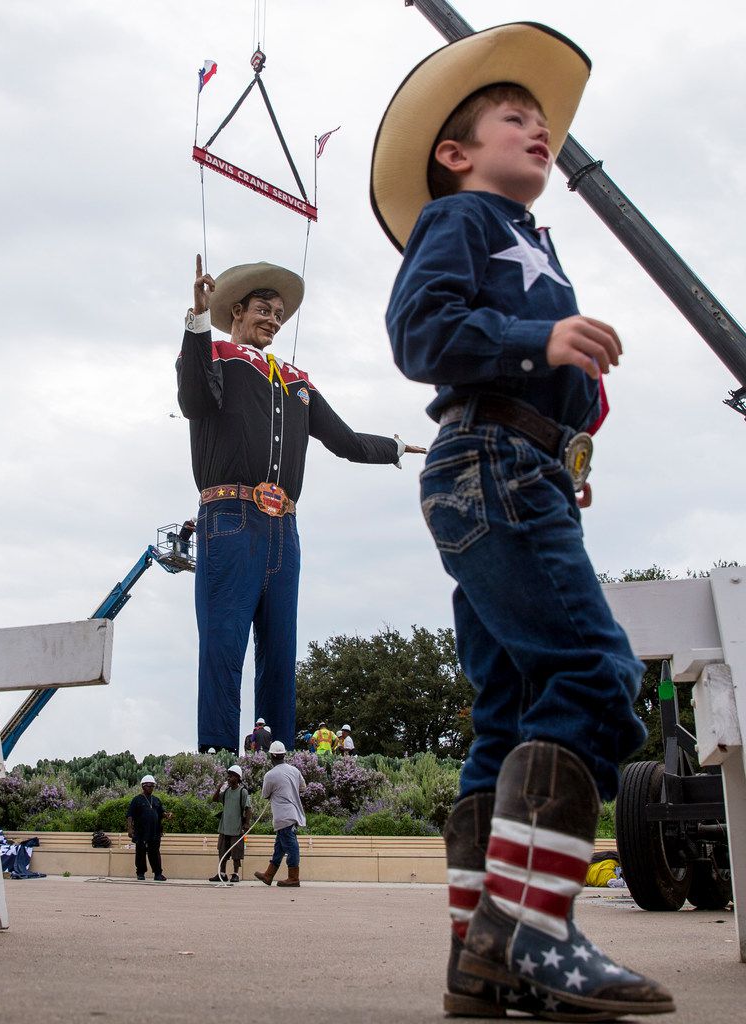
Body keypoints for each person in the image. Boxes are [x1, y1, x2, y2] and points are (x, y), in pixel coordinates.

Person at [371, 22, 673, 1019]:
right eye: (514, 117)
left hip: (509, 467)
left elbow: (539, 373)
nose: (538, 128)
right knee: (592, 673)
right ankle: (535, 937)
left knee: (507, 709)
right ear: (455, 155)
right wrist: (537, 335)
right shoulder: (460, 222)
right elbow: (421, 333)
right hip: (491, 465)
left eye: (543, 120)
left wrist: (568, 431)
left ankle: (478, 958)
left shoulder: (526, 241)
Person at [177, 259, 425, 755]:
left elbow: (346, 441)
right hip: (229, 518)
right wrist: (198, 322)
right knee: (224, 647)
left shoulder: (297, 382)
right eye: (264, 310)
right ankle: (217, 762)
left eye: (280, 314)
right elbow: (194, 397)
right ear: (237, 311)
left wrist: (394, 448)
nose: (273, 319)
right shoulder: (216, 355)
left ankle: (279, 759)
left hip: (283, 526)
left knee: (280, 652)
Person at [254, 740, 306, 887]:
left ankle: (293, 878)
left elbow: (265, 794)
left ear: (271, 756)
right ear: (284, 755)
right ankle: (268, 875)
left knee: (291, 846)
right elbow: (303, 787)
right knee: (279, 847)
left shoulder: (270, 775)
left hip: (282, 816)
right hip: (293, 814)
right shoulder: (295, 771)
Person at [209, 764, 252, 882]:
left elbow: (248, 808)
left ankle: (235, 874)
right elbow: (214, 799)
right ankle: (222, 873)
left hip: (236, 827)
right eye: (228, 776)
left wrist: (246, 824)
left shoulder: (242, 792)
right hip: (224, 827)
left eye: (231, 776)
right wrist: (218, 789)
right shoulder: (226, 791)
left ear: (238, 777)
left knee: (236, 852)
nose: (228, 778)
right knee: (222, 850)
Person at [126, 775, 169, 882]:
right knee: (140, 852)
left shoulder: (156, 800)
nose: (151, 787)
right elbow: (130, 815)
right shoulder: (136, 799)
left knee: (154, 852)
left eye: (152, 785)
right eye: (148, 785)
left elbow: (161, 813)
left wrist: (167, 815)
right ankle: (140, 873)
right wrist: (130, 829)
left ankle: (158, 874)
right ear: (143, 786)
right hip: (141, 831)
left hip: (154, 831)